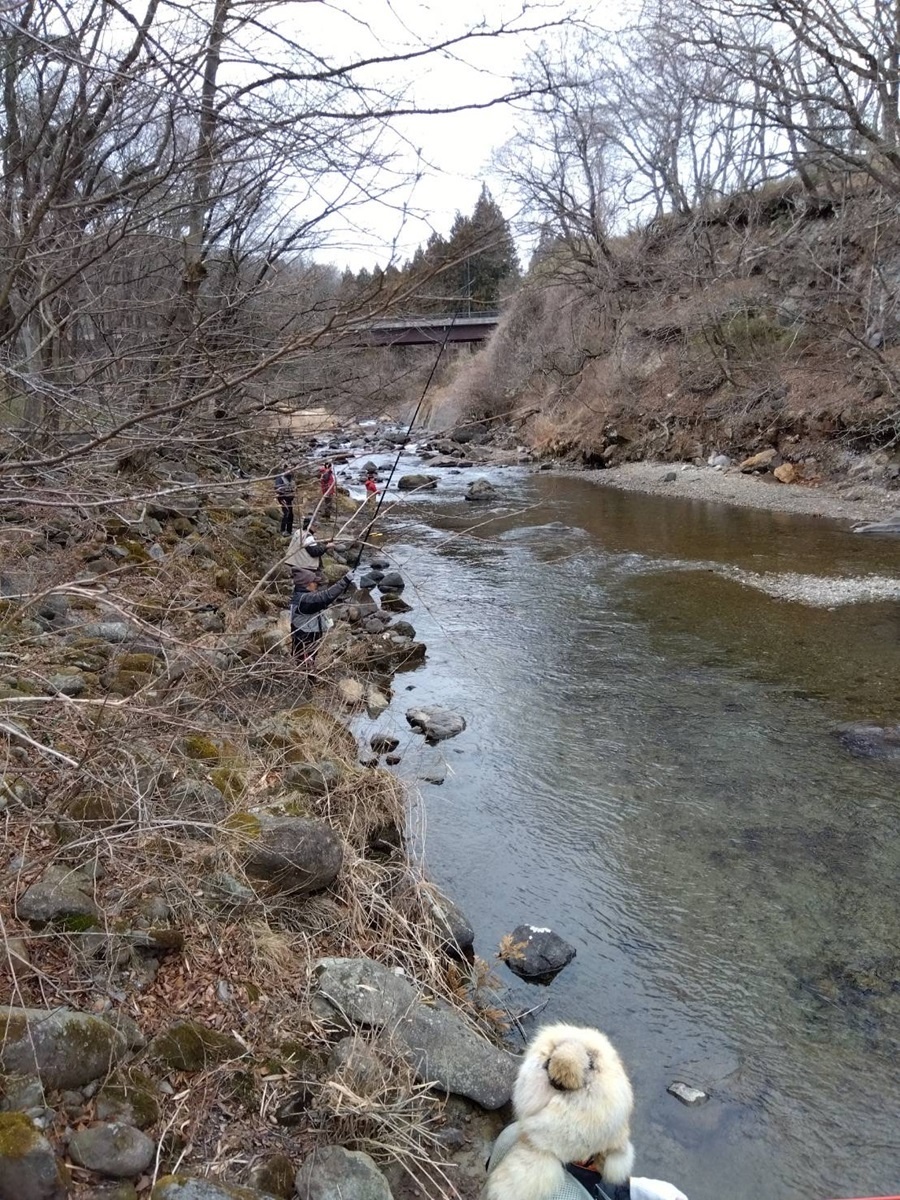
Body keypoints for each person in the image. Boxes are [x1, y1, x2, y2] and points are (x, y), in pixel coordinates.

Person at [290, 571, 353, 665]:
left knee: (305, 660)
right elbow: (326, 597)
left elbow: (321, 598)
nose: (317, 584)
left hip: (304, 637)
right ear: (307, 584)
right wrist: (345, 580)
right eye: (315, 582)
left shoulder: (300, 595)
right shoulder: (305, 600)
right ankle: (307, 678)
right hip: (305, 639)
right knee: (306, 664)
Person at [284, 516, 331, 587]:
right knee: (323, 581)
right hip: (304, 566)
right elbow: (315, 552)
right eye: (315, 525)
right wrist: (327, 547)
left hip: (292, 562)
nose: (316, 527)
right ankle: (316, 596)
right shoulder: (308, 537)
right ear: (309, 525)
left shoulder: (299, 532)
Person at [274, 469, 295, 535]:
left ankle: (289, 530)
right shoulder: (280, 478)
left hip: (289, 499)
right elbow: (277, 488)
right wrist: (283, 491)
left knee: (291, 514)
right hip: (282, 498)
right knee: (287, 513)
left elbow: (293, 488)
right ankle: (282, 530)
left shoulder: (291, 479)